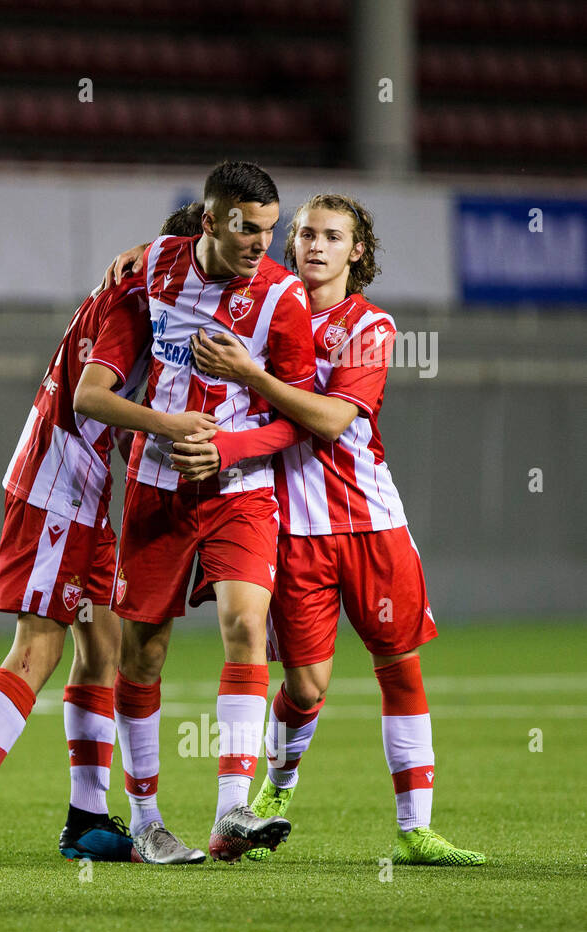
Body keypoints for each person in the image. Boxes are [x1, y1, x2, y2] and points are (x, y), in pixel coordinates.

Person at [167, 193, 486, 866]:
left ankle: (415, 828)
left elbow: (333, 420)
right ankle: (276, 789)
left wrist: (251, 375)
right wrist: (130, 261)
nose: (315, 244)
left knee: (398, 666)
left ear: (356, 251)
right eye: (306, 233)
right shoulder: (261, 312)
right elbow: (181, 263)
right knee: (306, 687)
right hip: (292, 529)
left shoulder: (369, 325)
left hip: (373, 524)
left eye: (332, 236)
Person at [0, 205, 217, 867]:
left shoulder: (144, 287)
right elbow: (90, 396)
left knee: (102, 642)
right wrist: (171, 425)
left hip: (82, 493)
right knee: (37, 648)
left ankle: (84, 819)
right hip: (57, 487)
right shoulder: (137, 303)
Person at [95, 161, 315, 862]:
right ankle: (145, 819)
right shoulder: (154, 266)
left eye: (270, 229)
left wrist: (231, 449)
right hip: (157, 487)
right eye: (248, 228)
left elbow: (298, 416)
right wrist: (164, 429)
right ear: (211, 221)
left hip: (241, 491)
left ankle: (232, 813)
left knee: (248, 625)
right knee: (143, 651)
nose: (261, 243)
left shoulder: (283, 296)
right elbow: (106, 367)